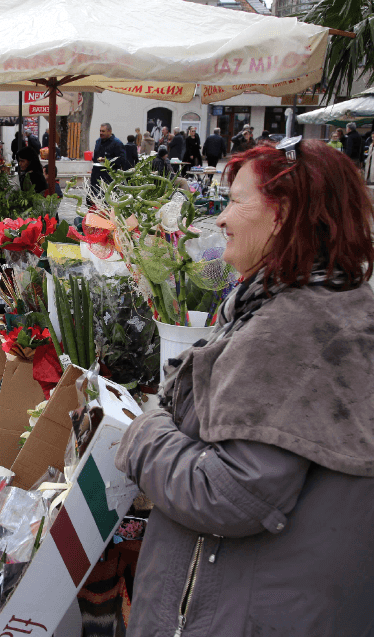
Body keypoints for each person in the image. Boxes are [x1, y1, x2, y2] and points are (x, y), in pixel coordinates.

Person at [115, 139, 374, 636]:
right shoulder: (327, 303)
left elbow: (230, 493)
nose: (221, 218)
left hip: (249, 614)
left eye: (235, 200)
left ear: (284, 216)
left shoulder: (297, 327)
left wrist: (142, 433)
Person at [90, 123, 128, 190]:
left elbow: (122, 159)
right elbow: (95, 156)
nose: (101, 133)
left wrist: (106, 160)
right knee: (92, 196)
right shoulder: (98, 141)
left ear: (109, 131)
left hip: (109, 176)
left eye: (103, 131)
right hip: (96, 175)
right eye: (100, 131)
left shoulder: (117, 143)